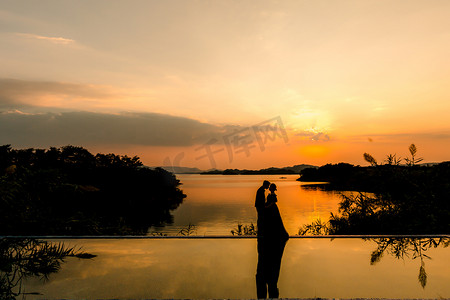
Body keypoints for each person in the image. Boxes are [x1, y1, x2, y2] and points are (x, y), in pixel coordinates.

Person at [256, 183, 289, 299]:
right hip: (270, 244)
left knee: (267, 275)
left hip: (270, 244)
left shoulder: (270, 209)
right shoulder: (268, 208)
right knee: (268, 275)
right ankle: (269, 291)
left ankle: (269, 291)